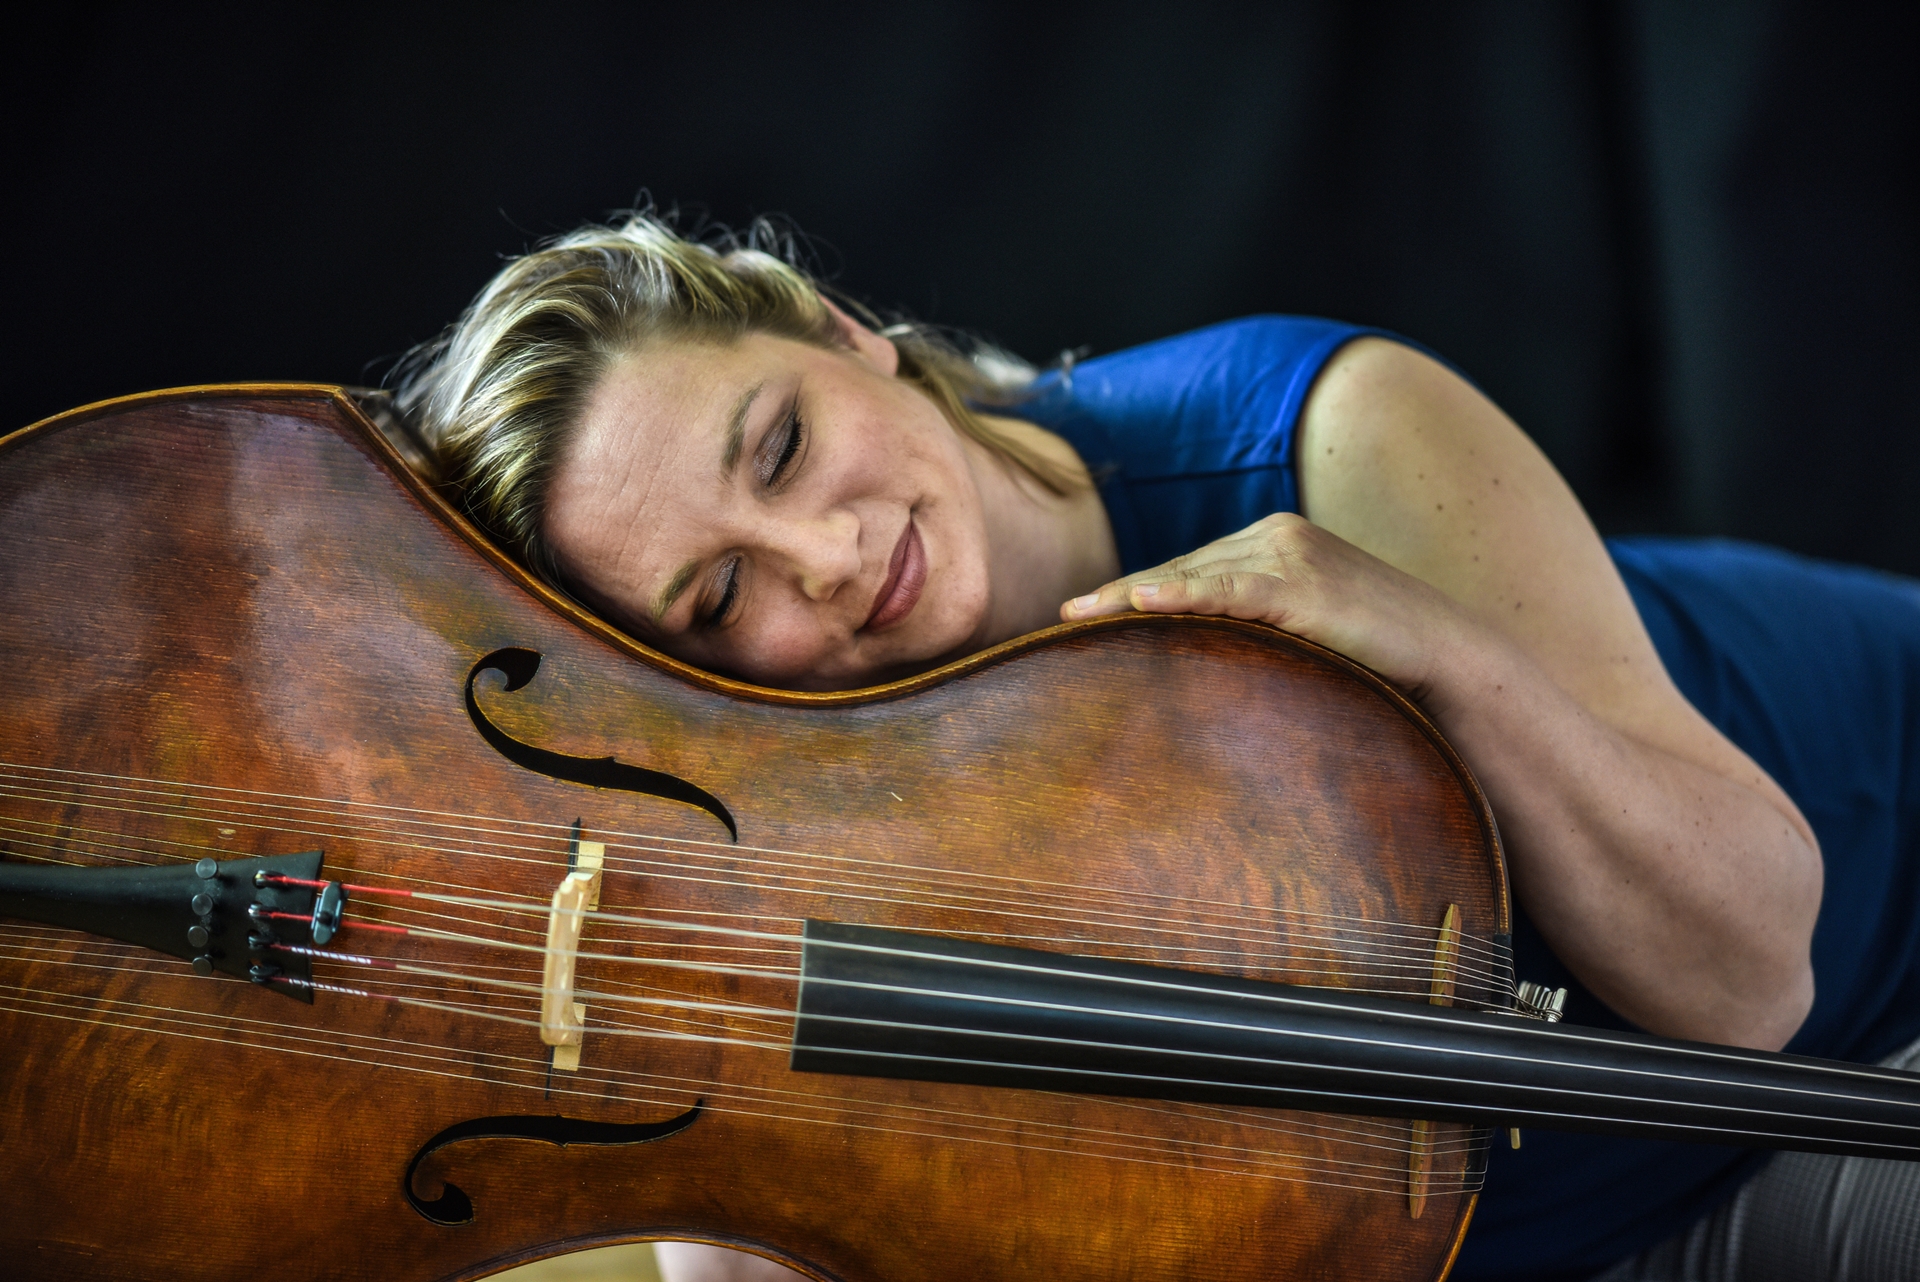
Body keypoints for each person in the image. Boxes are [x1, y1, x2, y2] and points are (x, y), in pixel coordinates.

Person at [396, 214, 1920, 1282]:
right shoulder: (783, 792)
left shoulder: (1324, 433)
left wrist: (1442, 657)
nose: (829, 556)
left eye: (783, 444)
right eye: (722, 596)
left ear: (845, 335)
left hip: (1864, 1002)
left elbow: (1749, 990)